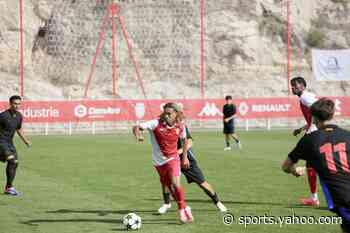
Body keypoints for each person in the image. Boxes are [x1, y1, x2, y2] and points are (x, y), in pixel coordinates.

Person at [282, 98, 350, 232]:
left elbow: (285, 166)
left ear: (313, 118)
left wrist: (294, 170)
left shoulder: (309, 140)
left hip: (343, 200)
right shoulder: (347, 136)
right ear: (333, 114)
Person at [132, 103, 193, 223]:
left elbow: (185, 141)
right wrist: (138, 135)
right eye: (165, 113)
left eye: (169, 113)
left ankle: (181, 211)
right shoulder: (155, 123)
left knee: (176, 184)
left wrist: (184, 158)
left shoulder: (181, 126)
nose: (166, 115)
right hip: (158, 162)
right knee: (170, 188)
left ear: (176, 114)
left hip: (173, 159)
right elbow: (136, 127)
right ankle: (185, 207)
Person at [158, 125, 227, 214]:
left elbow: (189, 142)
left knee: (202, 183)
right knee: (166, 181)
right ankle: (166, 203)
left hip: (186, 160)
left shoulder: (179, 125)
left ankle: (217, 202)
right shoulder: (161, 126)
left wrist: (180, 154)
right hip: (170, 159)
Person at [290, 76, 320, 206]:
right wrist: (302, 128)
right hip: (315, 132)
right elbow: (314, 114)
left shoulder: (305, 97)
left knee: (316, 165)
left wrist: (313, 127)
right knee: (311, 165)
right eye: (292, 86)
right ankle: (314, 198)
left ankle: (315, 198)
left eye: (295, 86)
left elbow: (318, 110)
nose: (293, 88)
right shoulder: (307, 96)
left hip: (314, 135)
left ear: (302, 86)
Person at [0, 95, 31, 196]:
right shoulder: (3, 116)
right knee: (12, 160)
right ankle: (9, 188)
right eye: (15, 104)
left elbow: (19, 129)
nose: (17, 106)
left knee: (15, 163)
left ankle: (9, 188)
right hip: (1, 142)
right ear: (10, 104)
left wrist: (25, 141)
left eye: (19, 104)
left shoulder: (19, 116)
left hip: (9, 143)